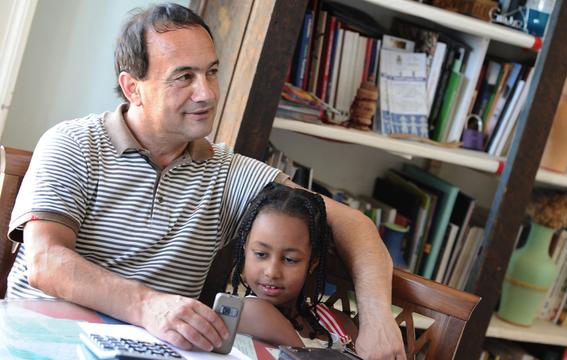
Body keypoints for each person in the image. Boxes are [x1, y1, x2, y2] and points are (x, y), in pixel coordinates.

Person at [5, 3, 404, 359]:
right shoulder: (73, 143)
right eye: (184, 77)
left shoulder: (227, 172)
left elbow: (352, 224)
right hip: (44, 341)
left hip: (150, 352)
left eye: (211, 72)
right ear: (133, 88)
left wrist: (378, 321)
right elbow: (46, 263)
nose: (207, 93)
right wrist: (149, 306)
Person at [230, 182, 358, 350]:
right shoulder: (247, 311)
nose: (272, 272)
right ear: (245, 249)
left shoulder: (339, 324)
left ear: (313, 262)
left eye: (290, 259)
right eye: (261, 254)